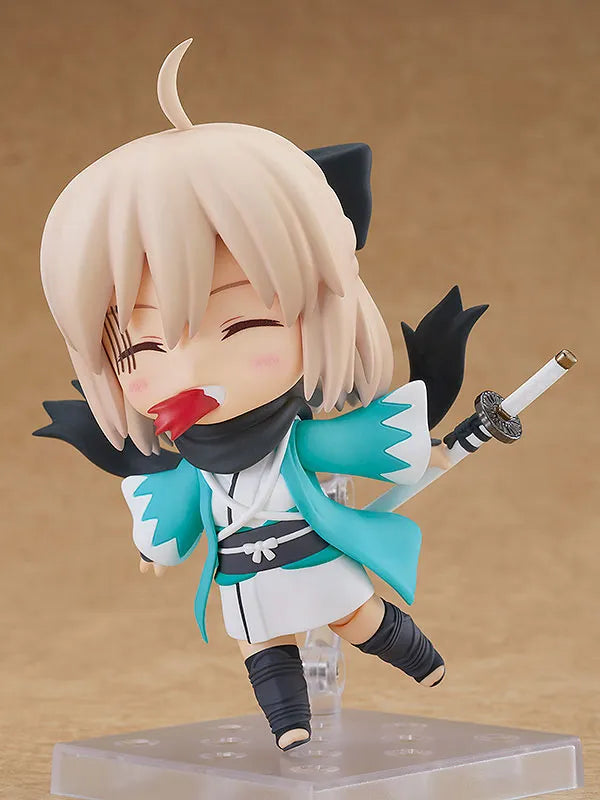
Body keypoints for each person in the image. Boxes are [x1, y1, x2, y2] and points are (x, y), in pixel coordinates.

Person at [37, 40, 486, 751]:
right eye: (141, 349)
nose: (186, 368)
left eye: (241, 326)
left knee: (355, 615)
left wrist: (423, 449)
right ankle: (290, 725)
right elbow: (173, 502)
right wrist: (159, 545)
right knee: (260, 644)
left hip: (312, 550)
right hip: (241, 571)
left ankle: (421, 661)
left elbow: (356, 441)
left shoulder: (296, 438)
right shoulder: (193, 462)